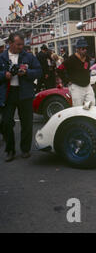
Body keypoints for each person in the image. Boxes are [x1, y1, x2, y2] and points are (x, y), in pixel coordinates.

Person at [0, 32, 42, 162]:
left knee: (27, 123)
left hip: (25, 93)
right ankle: (10, 150)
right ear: (10, 43)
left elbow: (39, 71)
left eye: (22, 45)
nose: (20, 47)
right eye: (18, 44)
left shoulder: (29, 56)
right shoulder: (1, 57)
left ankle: (25, 149)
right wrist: (4, 75)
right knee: (6, 123)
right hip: (8, 94)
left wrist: (26, 72)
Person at [57, 38, 96, 107]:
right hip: (76, 86)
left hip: (87, 85)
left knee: (92, 104)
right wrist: (66, 81)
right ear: (77, 49)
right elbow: (59, 70)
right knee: (78, 106)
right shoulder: (70, 59)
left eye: (86, 48)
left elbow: (86, 69)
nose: (85, 50)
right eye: (83, 48)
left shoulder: (87, 58)